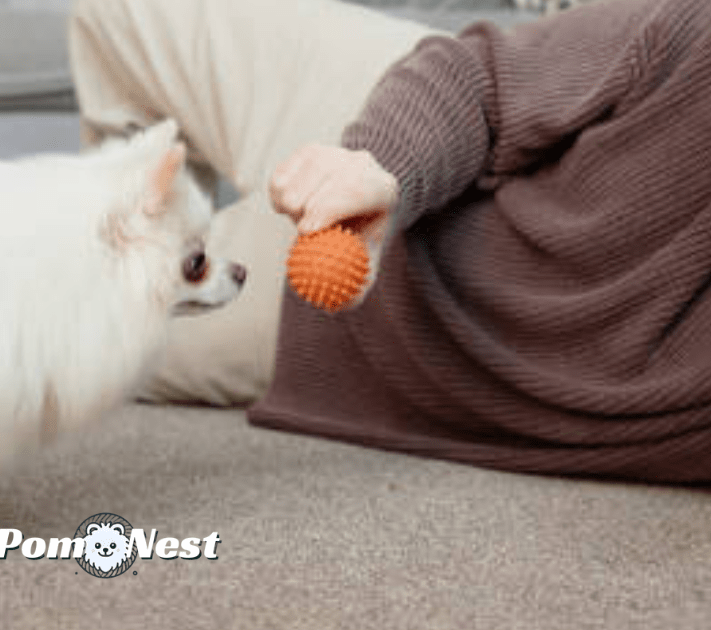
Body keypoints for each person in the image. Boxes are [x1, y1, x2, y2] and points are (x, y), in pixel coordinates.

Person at [69, 0, 711, 483]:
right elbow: (482, 78)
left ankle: (96, 257)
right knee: (114, 9)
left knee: (77, 331)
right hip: (401, 125)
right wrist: (377, 164)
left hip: (338, 323)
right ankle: (120, 220)